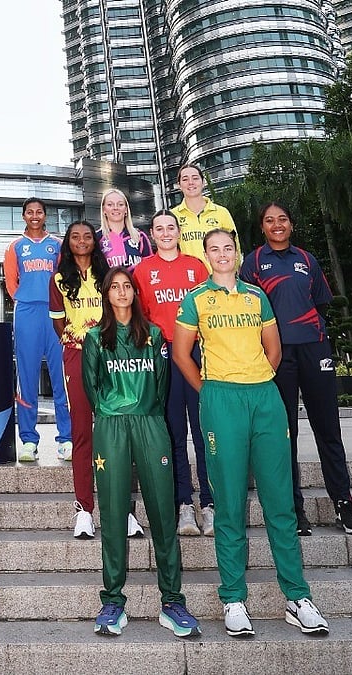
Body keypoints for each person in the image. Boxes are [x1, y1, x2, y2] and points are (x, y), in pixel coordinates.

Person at [173, 229, 329, 638]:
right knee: (228, 502)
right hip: (221, 399)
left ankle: (297, 597)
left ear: (237, 253)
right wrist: (209, 390)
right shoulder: (196, 300)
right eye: (214, 249)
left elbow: (273, 349)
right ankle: (233, 599)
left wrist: (258, 380)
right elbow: (180, 352)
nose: (222, 254)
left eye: (228, 248)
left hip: (264, 397)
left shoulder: (256, 296)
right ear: (205, 255)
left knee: (280, 500)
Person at [81, 267, 199, 639]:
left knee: (164, 513)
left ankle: (173, 602)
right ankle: (113, 601)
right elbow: (92, 387)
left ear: (134, 293)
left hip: (150, 423)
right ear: (106, 294)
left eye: (126, 287)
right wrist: (116, 411)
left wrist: (144, 411)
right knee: (114, 513)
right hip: (112, 427)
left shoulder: (154, 336)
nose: (120, 292)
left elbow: (162, 387)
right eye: (113, 287)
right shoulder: (96, 337)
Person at [240, 202, 352, 536]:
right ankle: (294, 510)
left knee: (328, 430)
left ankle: (344, 505)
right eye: (269, 220)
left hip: (314, 349)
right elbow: (247, 310)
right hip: (277, 356)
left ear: (291, 225)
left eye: (282, 219)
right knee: (285, 436)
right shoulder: (252, 263)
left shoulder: (307, 260)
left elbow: (321, 302)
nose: (276, 224)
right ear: (262, 228)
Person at [131, 210, 213, 537]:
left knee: (205, 429)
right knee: (174, 432)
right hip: (164, 353)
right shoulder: (143, 269)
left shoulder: (196, 266)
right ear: (152, 234)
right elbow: (140, 316)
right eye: (159, 228)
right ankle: (184, 505)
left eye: (171, 227)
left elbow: (209, 309)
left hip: (195, 352)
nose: (166, 233)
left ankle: (209, 504)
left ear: (179, 232)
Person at [49, 220, 109, 539]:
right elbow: (59, 324)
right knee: (82, 433)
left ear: (94, 242)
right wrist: (78, 342)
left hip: (111, 356)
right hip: (76, 356)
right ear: (68, 243)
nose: (82, 241)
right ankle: (84, 510)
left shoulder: (108, 276)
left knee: (117, 431)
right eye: (76, 237)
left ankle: (121, 510)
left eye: (88, 236)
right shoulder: (59, 278)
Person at [3, 197, 71, 463]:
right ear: (23, 216)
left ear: (45, 215)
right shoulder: (15, 247)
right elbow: (11, 283)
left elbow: (66, 278)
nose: (34, 216)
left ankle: (65, 438)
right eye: (30, 212)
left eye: (39, 212)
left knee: (61, 376)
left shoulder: (57, 245)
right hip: (27, 313)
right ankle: (29, 440)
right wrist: (25, 297)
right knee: (27, 378)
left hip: (55, 314)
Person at [170, 164, 239, 271]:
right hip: (187, 279)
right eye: (185, 179)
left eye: (195, 178)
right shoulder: (172, 216)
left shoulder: (221, 212)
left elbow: (235, 247)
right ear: (179, 185)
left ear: (203, 182)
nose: (191, 182)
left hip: (219, 279)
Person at [97, 188, 150, 270]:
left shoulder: (140, 237)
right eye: (110, 204)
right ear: (104, 210)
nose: (115, 208)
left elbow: (149, 269)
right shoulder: (97, 238)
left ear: (126, 210)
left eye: (120, 204)